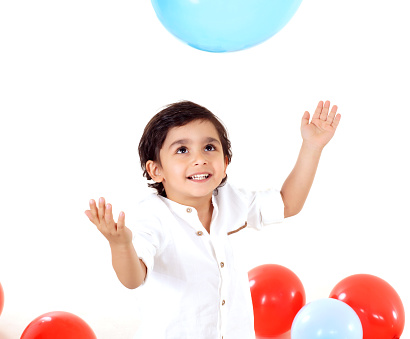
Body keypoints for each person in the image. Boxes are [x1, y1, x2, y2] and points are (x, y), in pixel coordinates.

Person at [84, 100, 341, 338]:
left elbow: (287, 204)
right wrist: (120, 245)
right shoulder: (153, 215)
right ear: (156, 169)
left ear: (225, 162)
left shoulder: (227, 199)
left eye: (209, 147)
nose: (199, 159)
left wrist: (312, 147)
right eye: (182, 150)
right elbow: (133, 279)